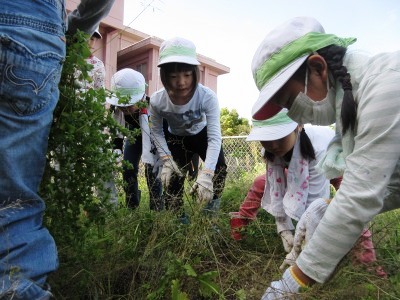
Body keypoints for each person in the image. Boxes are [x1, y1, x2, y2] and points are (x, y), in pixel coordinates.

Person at [249, 16, 400, 299]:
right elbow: (391, 182)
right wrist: (329, 206)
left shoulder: (384, 86)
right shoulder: (351, 111)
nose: (292, 115)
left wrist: (290, 283)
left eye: (288, 100)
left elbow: (360, 198)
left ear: (317, 68)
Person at [0, 1, 115, 298]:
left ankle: (107, 212)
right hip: (33, 28)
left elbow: (99, 97)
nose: (89, 43)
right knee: (15, 202)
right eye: (89, 37)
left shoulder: (97, 66)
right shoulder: (70, 49)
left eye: (93, 39)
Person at [229, 110, 335, 252]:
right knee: (261, 182)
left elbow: (314, 203)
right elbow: (275, 187)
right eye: (266, 138)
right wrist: (283, 228)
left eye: (280, 137)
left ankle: (363, 254)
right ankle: (240, 225)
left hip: (334, 163)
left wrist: (303, 243)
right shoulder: (270, 152)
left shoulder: (318, 148)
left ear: (298, 127)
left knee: (348, 203)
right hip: (300, 169)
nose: (273, 145)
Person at [149, 37, 227, 221]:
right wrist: (166, 159)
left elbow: (215, 138)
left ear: (194, 73)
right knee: (173, 180)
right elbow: (156, 131)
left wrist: (207, 173)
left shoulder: (207, 97)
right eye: (174, 77)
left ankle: (209, 218)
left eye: (186, 75)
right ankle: (178, 222)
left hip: (202, 135)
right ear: (165, 76)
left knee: (219, 170)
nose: (181, 82)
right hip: (176, 138)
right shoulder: (157, 101)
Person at [106, 68, 163, 210]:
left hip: (153, 136)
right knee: (128, 168)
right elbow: (116, 134)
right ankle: (132, 205)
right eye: (121, 104)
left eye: (128, 104)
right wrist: (117, 150)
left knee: (152, 171)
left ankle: (156, 208)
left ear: (140, 97)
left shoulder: (152, 108)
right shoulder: (116, 110)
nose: (123, 108)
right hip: (133, 136)